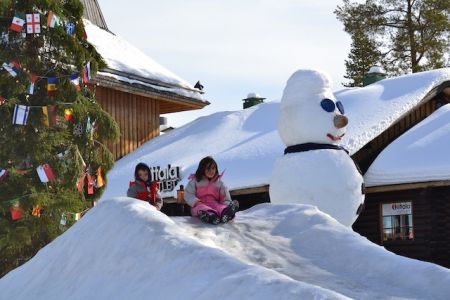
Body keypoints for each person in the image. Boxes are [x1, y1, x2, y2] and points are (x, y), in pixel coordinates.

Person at [185, 156, 239, 224]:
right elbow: (188, 194)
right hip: (199, 204)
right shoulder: (195, 181)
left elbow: (225, 197)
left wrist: (226, 205)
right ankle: (209, 216)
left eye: (213, 168)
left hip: (214, 204)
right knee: (201, 208)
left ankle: (226, 213)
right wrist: (196, 202)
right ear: (202, 169)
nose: (211, 171)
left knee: (220, 207)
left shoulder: (219, 183)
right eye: (208, 169)